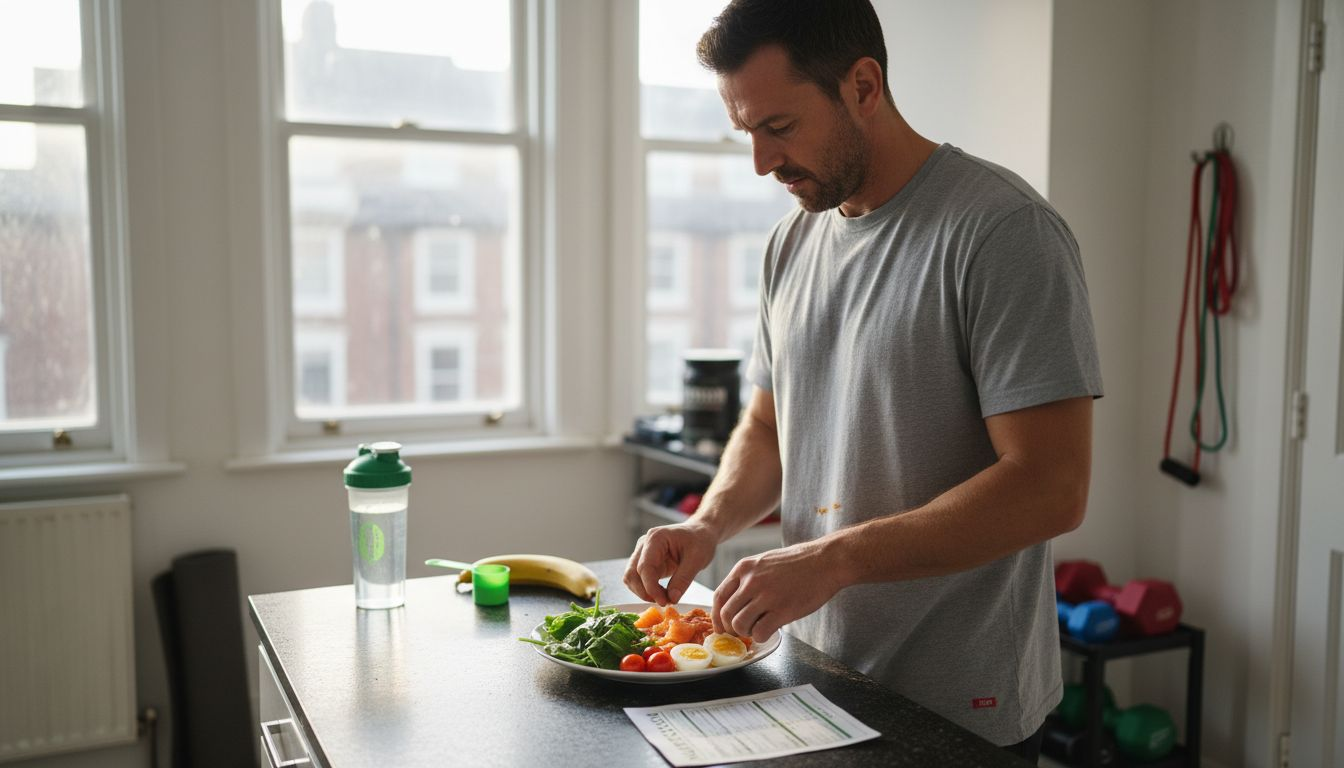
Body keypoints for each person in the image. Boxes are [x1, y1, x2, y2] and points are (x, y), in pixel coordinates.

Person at [623, 0, 1103, 760]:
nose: (761, 162)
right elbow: (768, 427)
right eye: (747, 132)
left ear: (863, 85)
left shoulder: (1003, 232)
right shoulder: (792, 240)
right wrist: (707, 526)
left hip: (960, 703)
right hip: (812, 675)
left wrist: (834, 557)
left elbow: (1052, 485)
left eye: (778, 128)